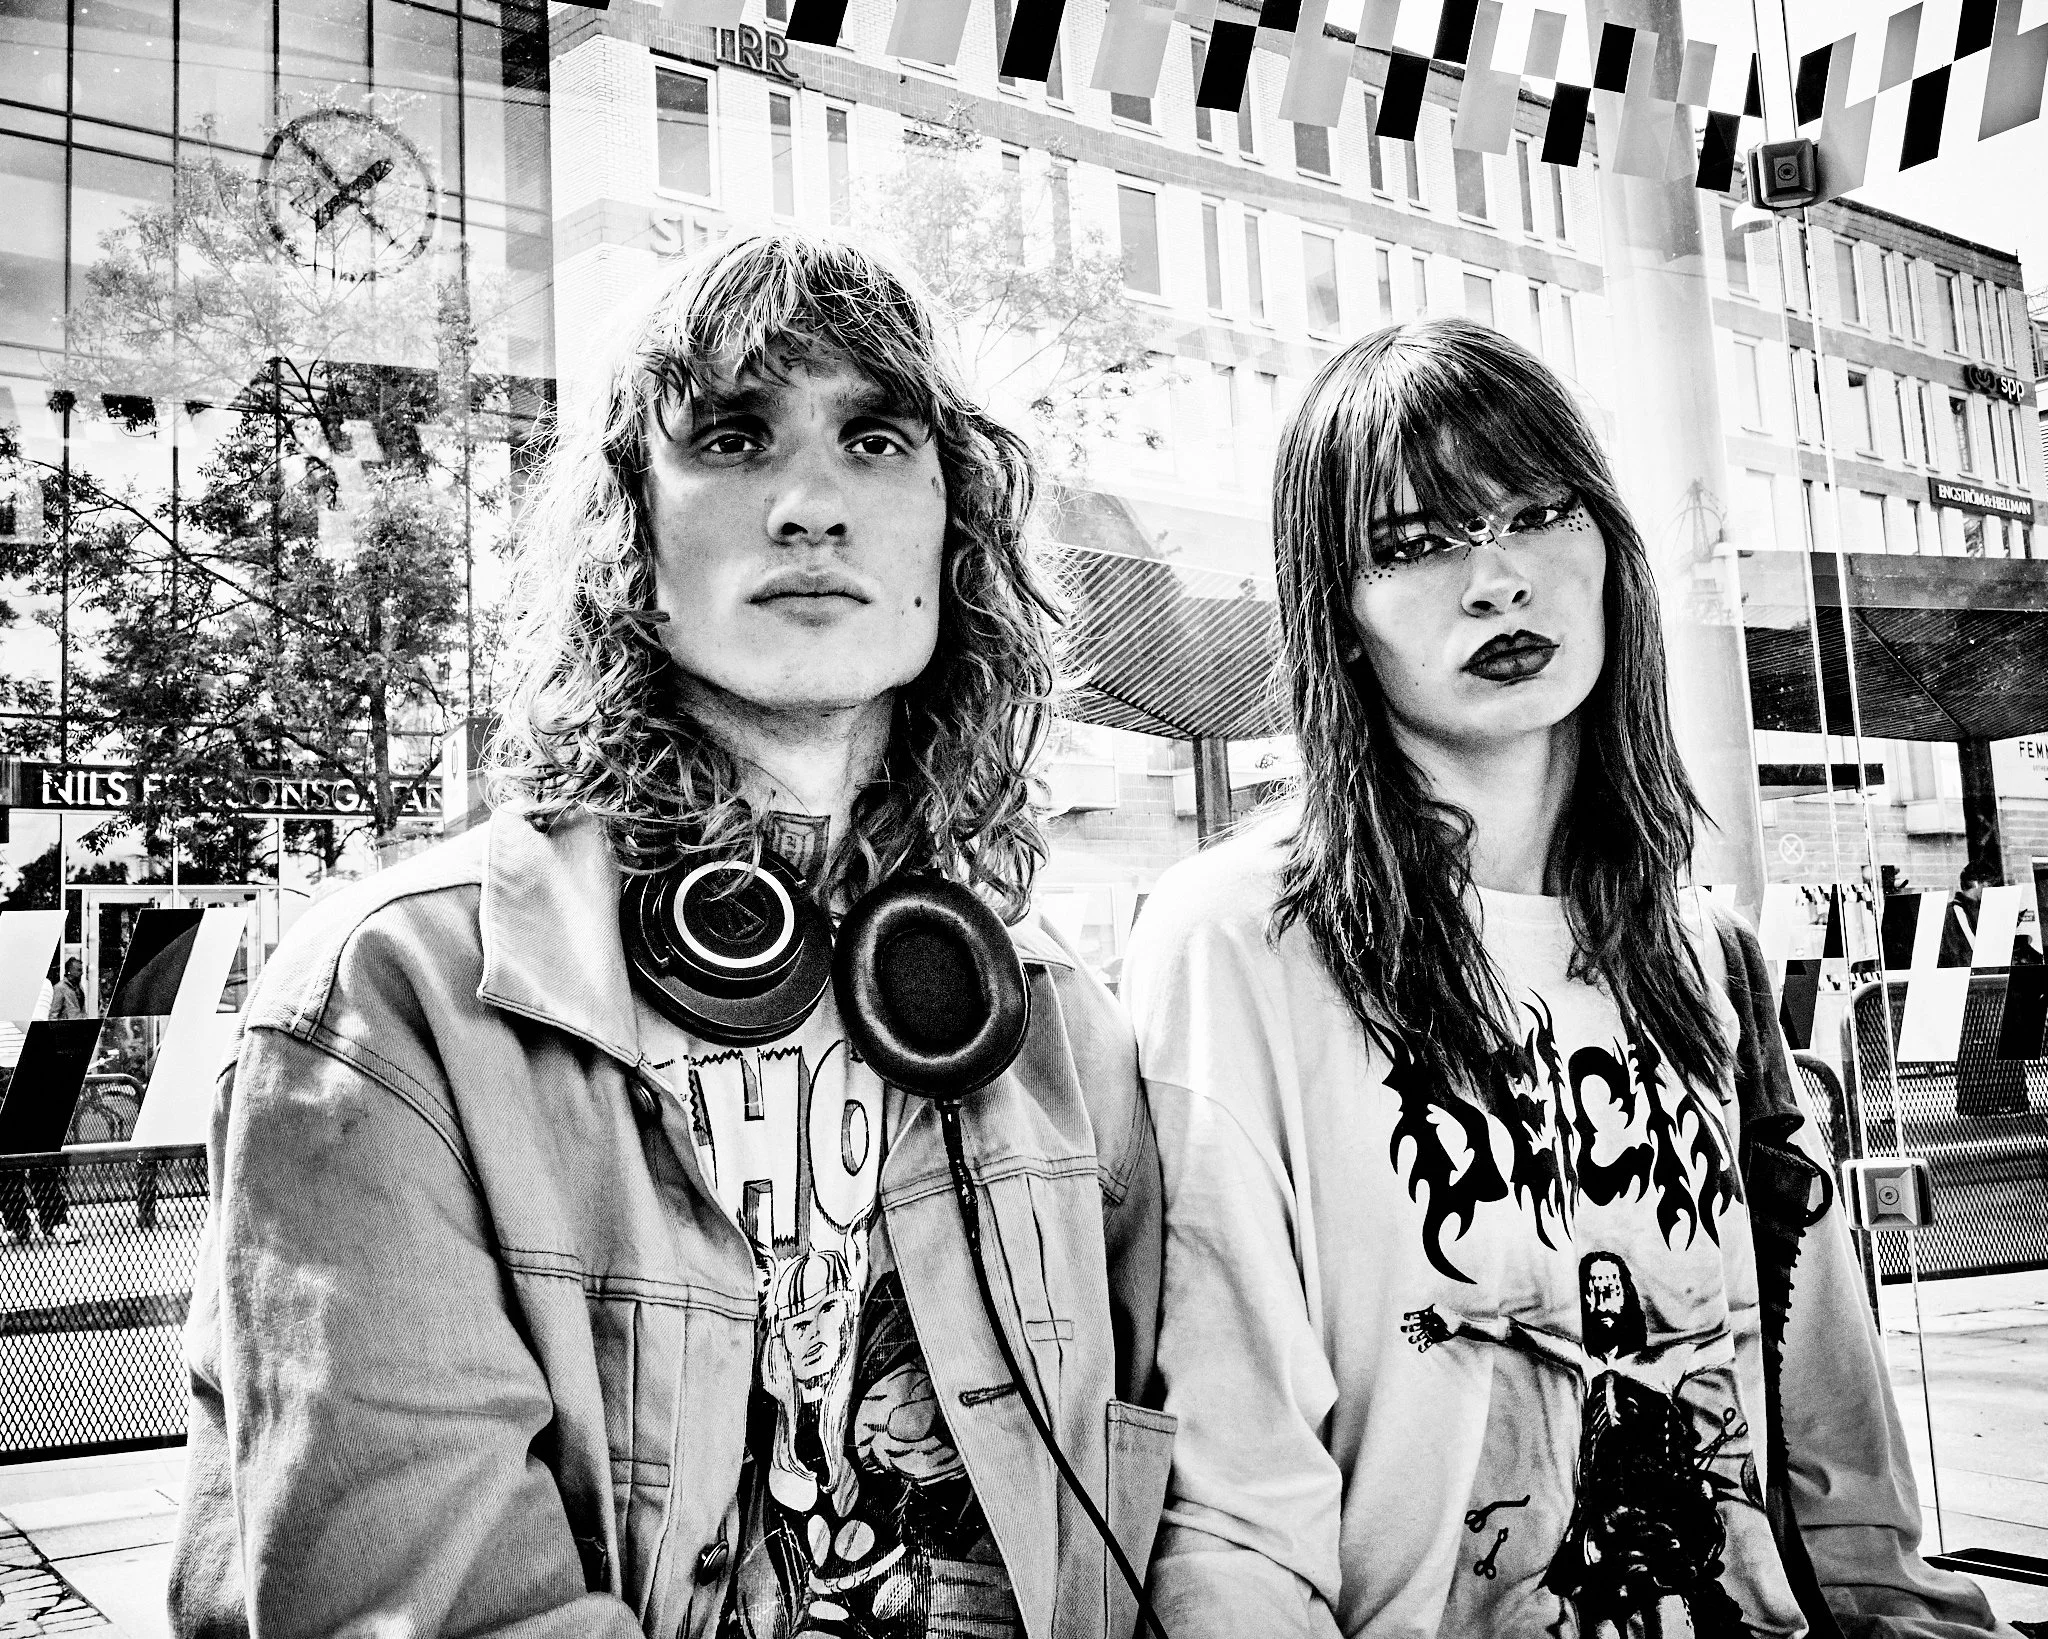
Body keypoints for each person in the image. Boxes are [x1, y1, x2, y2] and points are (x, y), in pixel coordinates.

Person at [169, 232, 1169, 1638]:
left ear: (953, 540)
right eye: (734, 438)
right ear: (631, 542)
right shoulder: (393, 1003)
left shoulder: (1051, 1020)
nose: (810, 504)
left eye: (876, 439)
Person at [1124, 319, 2015, 1638]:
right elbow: (1233, 1500)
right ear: (1336, 613)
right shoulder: (1240, 939)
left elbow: (1833, 1452)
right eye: (1413, 542)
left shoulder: (1698, 952)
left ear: (1607, 549)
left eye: (1537, 513)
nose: (1496, 580)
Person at [49, 956, 86, 1020]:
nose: (82, 973)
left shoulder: (79, 987)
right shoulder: (60, 988)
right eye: (79, 970)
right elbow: (53, 1014)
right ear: (70, 970)